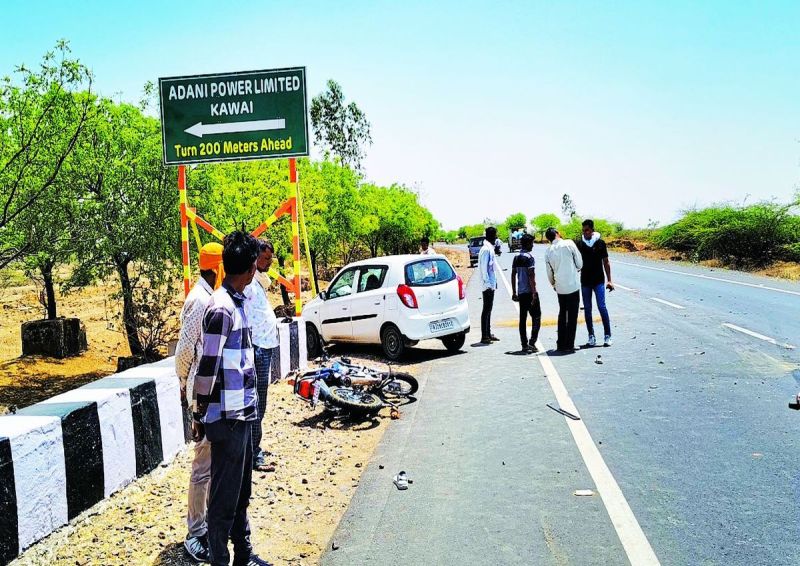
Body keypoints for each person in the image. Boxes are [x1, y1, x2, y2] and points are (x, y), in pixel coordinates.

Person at [192, 231, 271, 566]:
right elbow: (206, 368)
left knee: (240, 493)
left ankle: (244, 555)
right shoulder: (222, 309)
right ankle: (221, 560)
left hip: (242, 413)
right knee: (224, 499)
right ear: (250, 269)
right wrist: (198, 415)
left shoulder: (237, 302)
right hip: (227, 418)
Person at [174, 242, 225, 563]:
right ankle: (195, 531)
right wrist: (183, 384)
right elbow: (184, 351)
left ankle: (207, 523)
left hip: (214, 393)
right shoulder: (199, 301)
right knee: (203, 466)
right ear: (217, 267)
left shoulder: (212, 297)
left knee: (213, 463)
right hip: (201, 395)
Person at [243, 239, 279, 472]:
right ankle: (254, 453)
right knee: (257, 402)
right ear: (255, 258)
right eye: (265, 258)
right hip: (257, 349)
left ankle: (254, 448)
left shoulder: (258, 282)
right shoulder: (248, 285)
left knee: (261, 402)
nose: (269, 263)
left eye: (270, 258)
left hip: (265, 346)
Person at [544, 227, 583, 353]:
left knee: (562, 314)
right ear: (558, 233)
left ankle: (560, 344)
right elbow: (579, 263)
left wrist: (553, 284)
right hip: (573, 285)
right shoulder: (569, 243)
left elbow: (549, 272)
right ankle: (569, 344)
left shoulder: (548, 251)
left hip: (560, 287)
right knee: (572, 316)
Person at [577, 219, 614, 347]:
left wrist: (609, 280)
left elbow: (606, 262)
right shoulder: (580, 244)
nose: (585, 232)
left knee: (602, 307)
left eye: (587, 230)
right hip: (585, 281)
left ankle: (607, 335)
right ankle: (591, 336)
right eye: (583, 230)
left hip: (598, 280)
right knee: (587, 309)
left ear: (592, 230)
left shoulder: (600, 243)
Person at [511, 234, 541, 353]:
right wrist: (534, 293)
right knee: (536, 317)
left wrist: (514, 292)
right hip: (529, 292)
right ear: (528, 244)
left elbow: (513, 275)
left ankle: (524, 344)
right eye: (532, 243)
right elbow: (531, 276)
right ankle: (532, 342)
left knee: (522, 319)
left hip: (521, 292)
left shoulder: (516, 257)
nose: (532, 245)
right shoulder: (529, 258)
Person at [479, 226, 500, 344]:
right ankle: (484, 336)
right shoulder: (486, 250)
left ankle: (488, 333)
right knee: (486, 309)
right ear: (491, 236)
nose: (496, 237)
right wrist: (488, 284)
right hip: (487, 285)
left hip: (490, 284)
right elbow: (484, 268)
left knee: (489, 309)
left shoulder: (489, 248)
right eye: (495, 235)